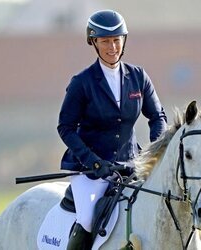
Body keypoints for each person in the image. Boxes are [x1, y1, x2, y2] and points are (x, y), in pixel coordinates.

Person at [57, 9, 167, 250]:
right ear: (94, 43)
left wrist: (155, 155)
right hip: (90, 171)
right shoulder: (82, 82)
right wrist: (94, 162)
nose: (112, 47)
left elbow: (157, 116)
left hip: (130, 165)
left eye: (117, 40)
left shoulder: (138, 77)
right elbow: (65, 128)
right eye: (105, 41)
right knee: (87, 219)